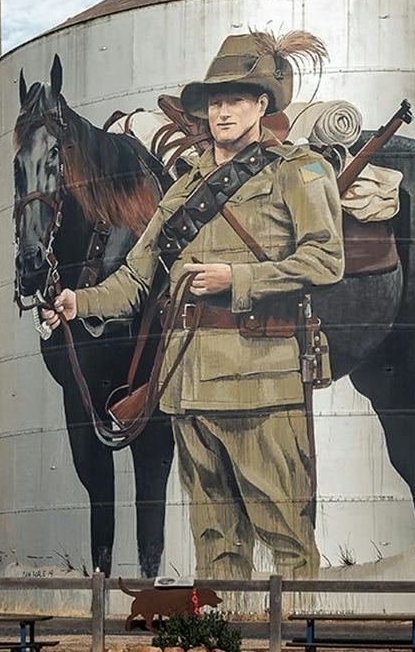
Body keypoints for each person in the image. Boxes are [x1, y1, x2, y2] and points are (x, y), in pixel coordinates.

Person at [46, 30, 343, 579]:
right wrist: (77, 301)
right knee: (216, 545)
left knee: (287, 540)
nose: (224, 111)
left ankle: (295, 638)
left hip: (261, 382)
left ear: (262, 104)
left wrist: (240, 279)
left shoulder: (297, 171)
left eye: (237, 99)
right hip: (191, 387)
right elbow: (136, 277)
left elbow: (326, 260)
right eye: (215, 101)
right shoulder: (183, 192)